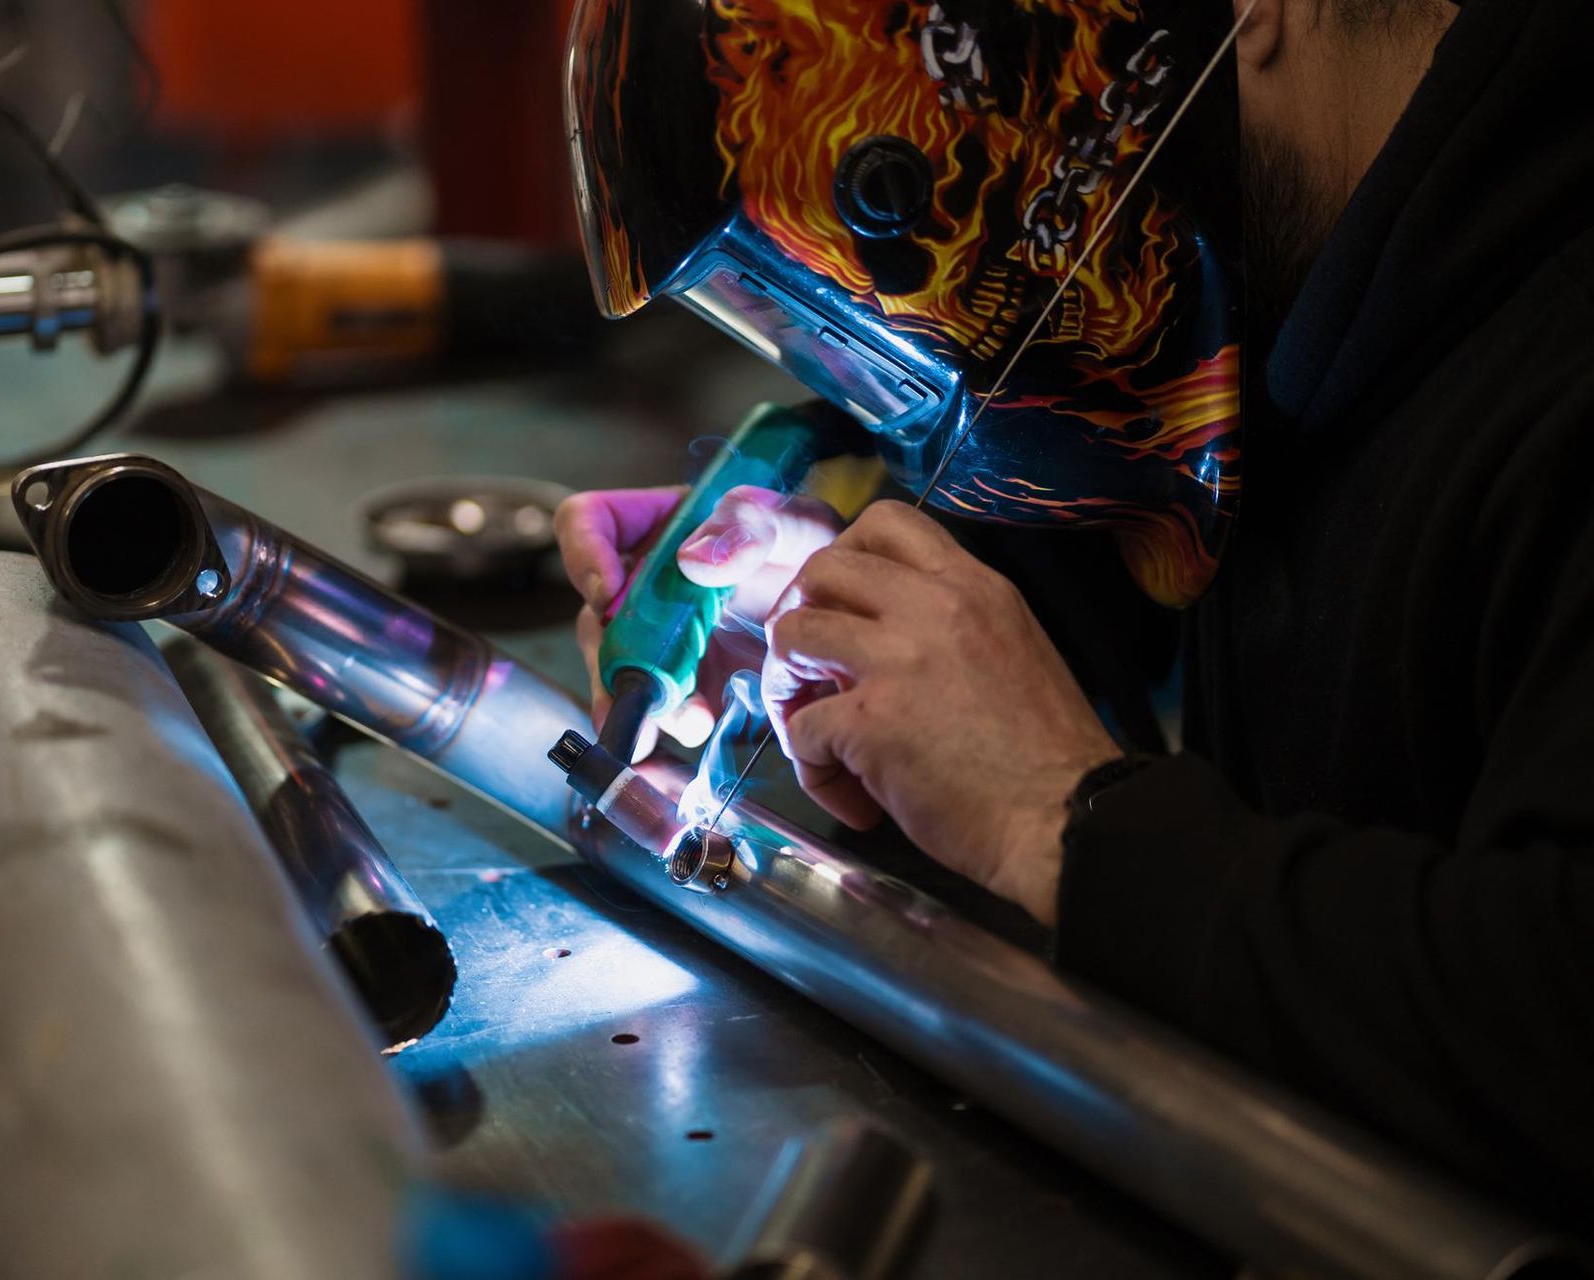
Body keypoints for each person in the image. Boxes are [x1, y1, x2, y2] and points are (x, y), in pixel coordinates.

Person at [556, 0, 1594, 1225]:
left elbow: (1554, 1014)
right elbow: (1120, 529)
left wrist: (1064, 817)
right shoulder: (1298, 223)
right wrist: (847, 603)